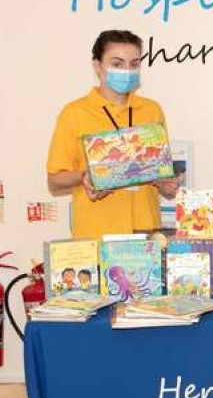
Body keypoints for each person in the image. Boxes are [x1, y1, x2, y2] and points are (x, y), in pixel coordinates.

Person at [47, 30, 179, 240]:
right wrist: (85, 176)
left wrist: (166, 182)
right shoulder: (74, 113)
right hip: (96, 234)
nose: (127, 71)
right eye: (117, 64)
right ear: (98, 66)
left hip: (145, 234)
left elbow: (157, 169)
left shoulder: (152, 110)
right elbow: (54, 180)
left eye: (134, 64)